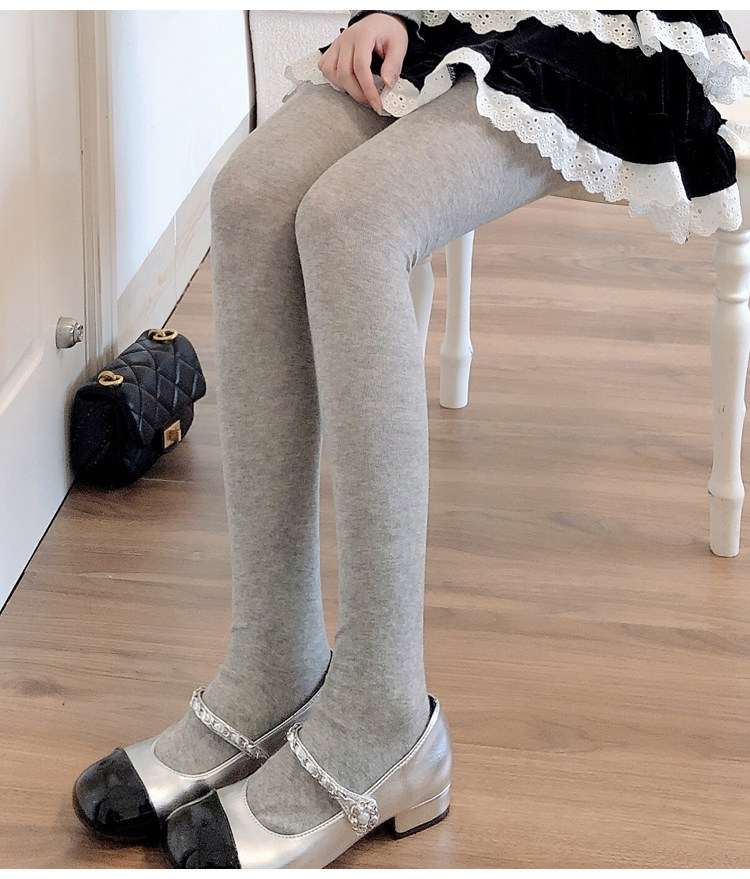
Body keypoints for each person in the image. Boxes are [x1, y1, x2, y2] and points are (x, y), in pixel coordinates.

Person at [72, 10, 750, 869]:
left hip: (603, 36)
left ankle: (383, 710)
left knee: (353, 219)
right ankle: (273, 661)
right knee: (250, 196)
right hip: (456, 17)